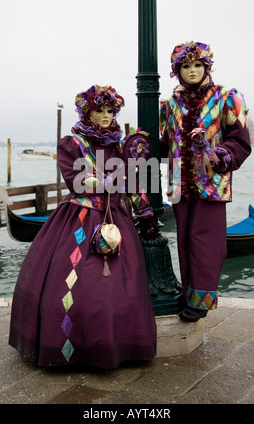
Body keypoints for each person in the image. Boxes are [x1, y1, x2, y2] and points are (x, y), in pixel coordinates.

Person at [9, 84, 158, 368]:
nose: (104, 115)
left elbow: (134, 183)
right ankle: (72, 349)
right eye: (98, 110)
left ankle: (119, 345)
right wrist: (122, 170)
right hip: (79, 219)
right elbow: (79, 182)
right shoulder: (72, 143)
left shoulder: (118, 144)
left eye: (109, 110)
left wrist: (144, 212)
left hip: (117, 220)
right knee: (76, 285)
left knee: (121, 287)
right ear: (87, 112)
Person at [159, 41, 251, 322]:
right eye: (186, 66)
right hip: (179, 183)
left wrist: (218, 155)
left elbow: (240, 142)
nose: (192, 71)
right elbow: (163, 144)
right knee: (185, 240)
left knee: (207, 242)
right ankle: (189, 295)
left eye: (197, 65)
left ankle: (202, 301)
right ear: (178, 71)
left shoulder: (227, 97)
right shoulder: (168, 105)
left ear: (207, 66)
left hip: (211, 183)